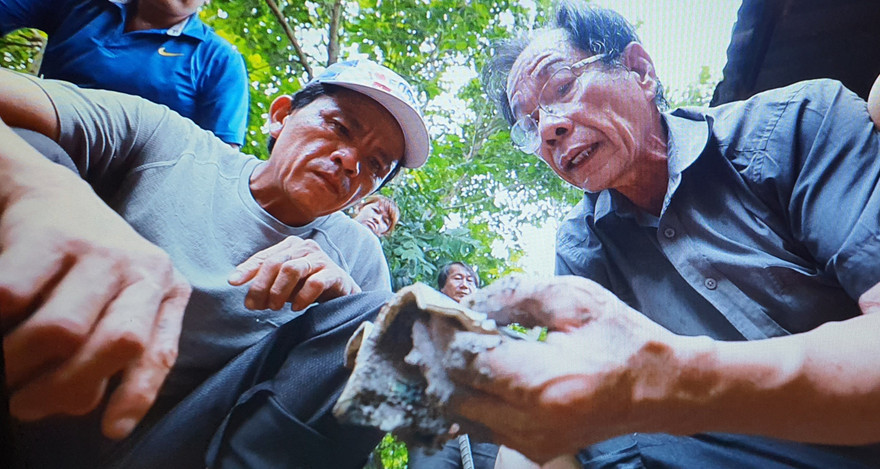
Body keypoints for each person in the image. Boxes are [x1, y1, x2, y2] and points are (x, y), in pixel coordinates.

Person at [450, 2, 880, 467]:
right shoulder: (581, 246)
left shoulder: (797, 124)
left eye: (562, 85)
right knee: (522, 450)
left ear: (640, 70)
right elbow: (609, 438)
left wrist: (674, 377)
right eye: (528, 125)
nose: (549, 128)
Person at [0, 57, 430, 468]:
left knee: (379, 324)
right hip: (33, 369)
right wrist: (41, 186)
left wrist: (341, 318)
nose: (350, 162)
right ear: (280, 117)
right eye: (339, 127)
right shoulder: (168, 141)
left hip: (176, 444)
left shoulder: (357, 252)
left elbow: (387, 391)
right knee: (33, 146)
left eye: (376, 164)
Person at [0, 0, 249, 147]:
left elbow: (220, 161)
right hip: (28, 136)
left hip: (125, 188)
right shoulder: (85, 6)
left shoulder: (217, 59)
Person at [408, 261, 501, 469]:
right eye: (457, 278)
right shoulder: (423, 320)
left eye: (470, 281)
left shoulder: (490, 328)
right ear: (443, 287)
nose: (464, 284)